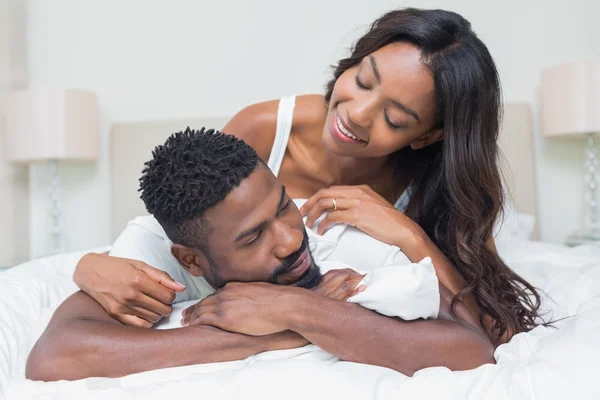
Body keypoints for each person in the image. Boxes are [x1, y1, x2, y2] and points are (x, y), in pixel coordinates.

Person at [73, 7, 543, 346]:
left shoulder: (437, 183)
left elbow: (492, 326)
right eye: (362, 81)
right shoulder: (265, 129)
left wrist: (407, 233)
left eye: (395, 119)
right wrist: (85, 266)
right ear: (353, 62)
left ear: (427, 136)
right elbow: (184, 227)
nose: (356, 115)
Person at [27, 129, 492, 381]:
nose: (291, 240)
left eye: (283, 206)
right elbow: (54, 357)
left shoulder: (337, 236)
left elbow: (473, 349)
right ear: (189, 260)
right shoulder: (152, 253)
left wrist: (295, 305)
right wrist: (284, 331)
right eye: (252, 239)